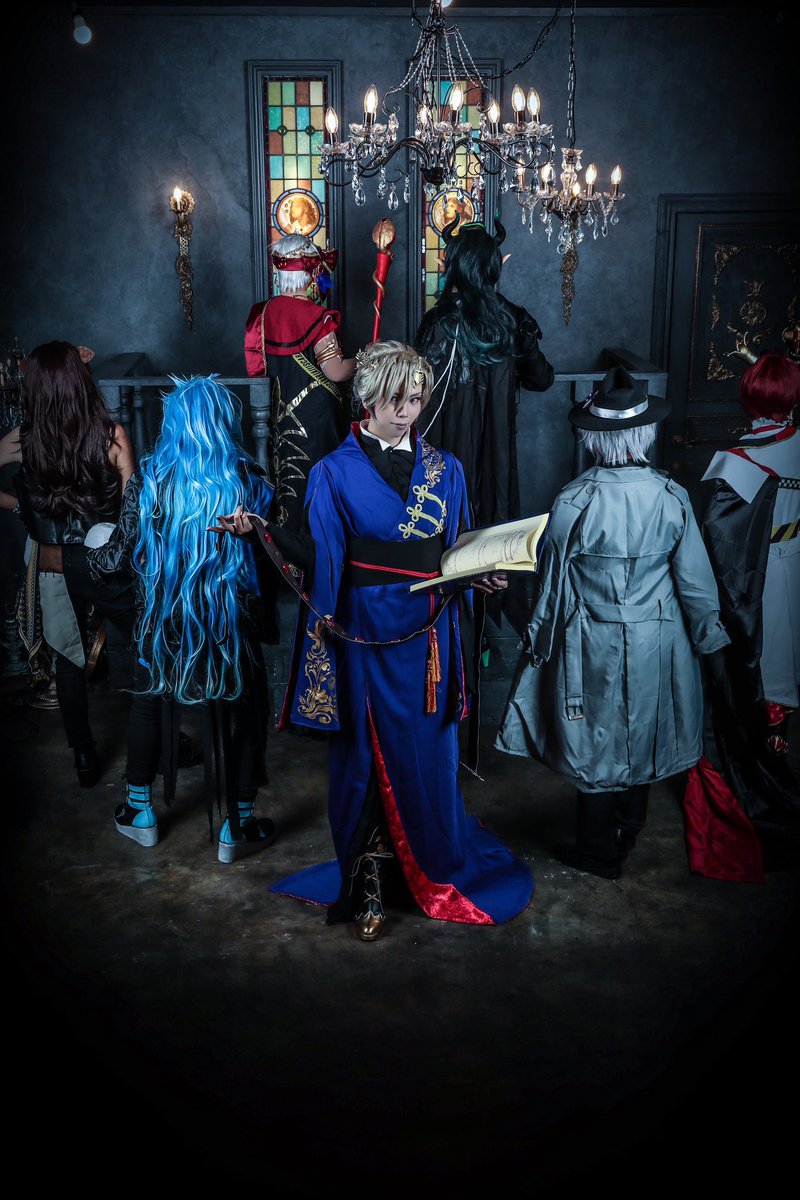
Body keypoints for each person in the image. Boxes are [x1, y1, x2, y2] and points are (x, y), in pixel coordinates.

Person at [220, 341, 532, 940]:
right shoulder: (332, 472)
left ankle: (430, 865)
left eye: (415, 399)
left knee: (427, 755)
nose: (407, 411)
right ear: (367, 398)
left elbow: (456, 549)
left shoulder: (447, 469)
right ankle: (368, 883)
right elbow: (319, 559)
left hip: (428, 637)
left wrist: (480, 575)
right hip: (363, 632)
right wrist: (260, 530)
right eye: (395, 400)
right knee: (364, 757)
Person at [495, 365, 731, 880]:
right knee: (643, 727)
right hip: (658, 638)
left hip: (589, 639)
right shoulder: (671, 496)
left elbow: (553, 587)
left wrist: (538, 640)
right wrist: (710, 642)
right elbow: (695, 584)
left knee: (594, 736)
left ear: (594, 439)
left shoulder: (573, 501)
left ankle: (597, 849)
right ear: (647, 434)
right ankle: (629, 826)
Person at [88, 375, 276, 862]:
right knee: (246, 705)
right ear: (223, 424)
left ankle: (140, 813)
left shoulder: (149, 479)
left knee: (149, 697)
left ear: (172, 425)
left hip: (165, 630)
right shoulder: (253, 481)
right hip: (230, 626)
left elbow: (116, 558)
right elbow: (270, 565)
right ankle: (238, 825)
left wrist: (88, 555)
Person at [684, 351, 800, 883]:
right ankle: (778, 754)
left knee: (758, 667)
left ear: (747, 398)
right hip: (794, 567)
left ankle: (761, 770)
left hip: (765, 578)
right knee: (784, 666)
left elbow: (717, 549)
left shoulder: (736, 463)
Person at [415, 216, 554, 634]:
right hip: (494, 451)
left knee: (447, 522)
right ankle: (482, 634)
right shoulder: (513, 320)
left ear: (454, 265)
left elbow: (419, 391)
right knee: (492, 519)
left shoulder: (439, 321)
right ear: (494, 265)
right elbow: (541, 379)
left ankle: (451, 629)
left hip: (446, 449)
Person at [10, 341, 137, 786]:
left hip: (53, 562)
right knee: (137, 642)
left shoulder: (25, 438)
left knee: (68, 657)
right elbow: (134, 509)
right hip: (104, 559)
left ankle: (83, 756)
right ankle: (159, 739)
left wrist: (24, 509)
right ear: (80, 383)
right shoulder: (111, 435)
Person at [244, 232, 355, 534]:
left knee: (286, 483)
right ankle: (319, 551)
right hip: (317, 420)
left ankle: (286, 552)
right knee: (319, 486)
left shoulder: (260, 316)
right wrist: (365, 357)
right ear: (312, 274)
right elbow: (335, 372)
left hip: (276, 419)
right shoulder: (318, 317)